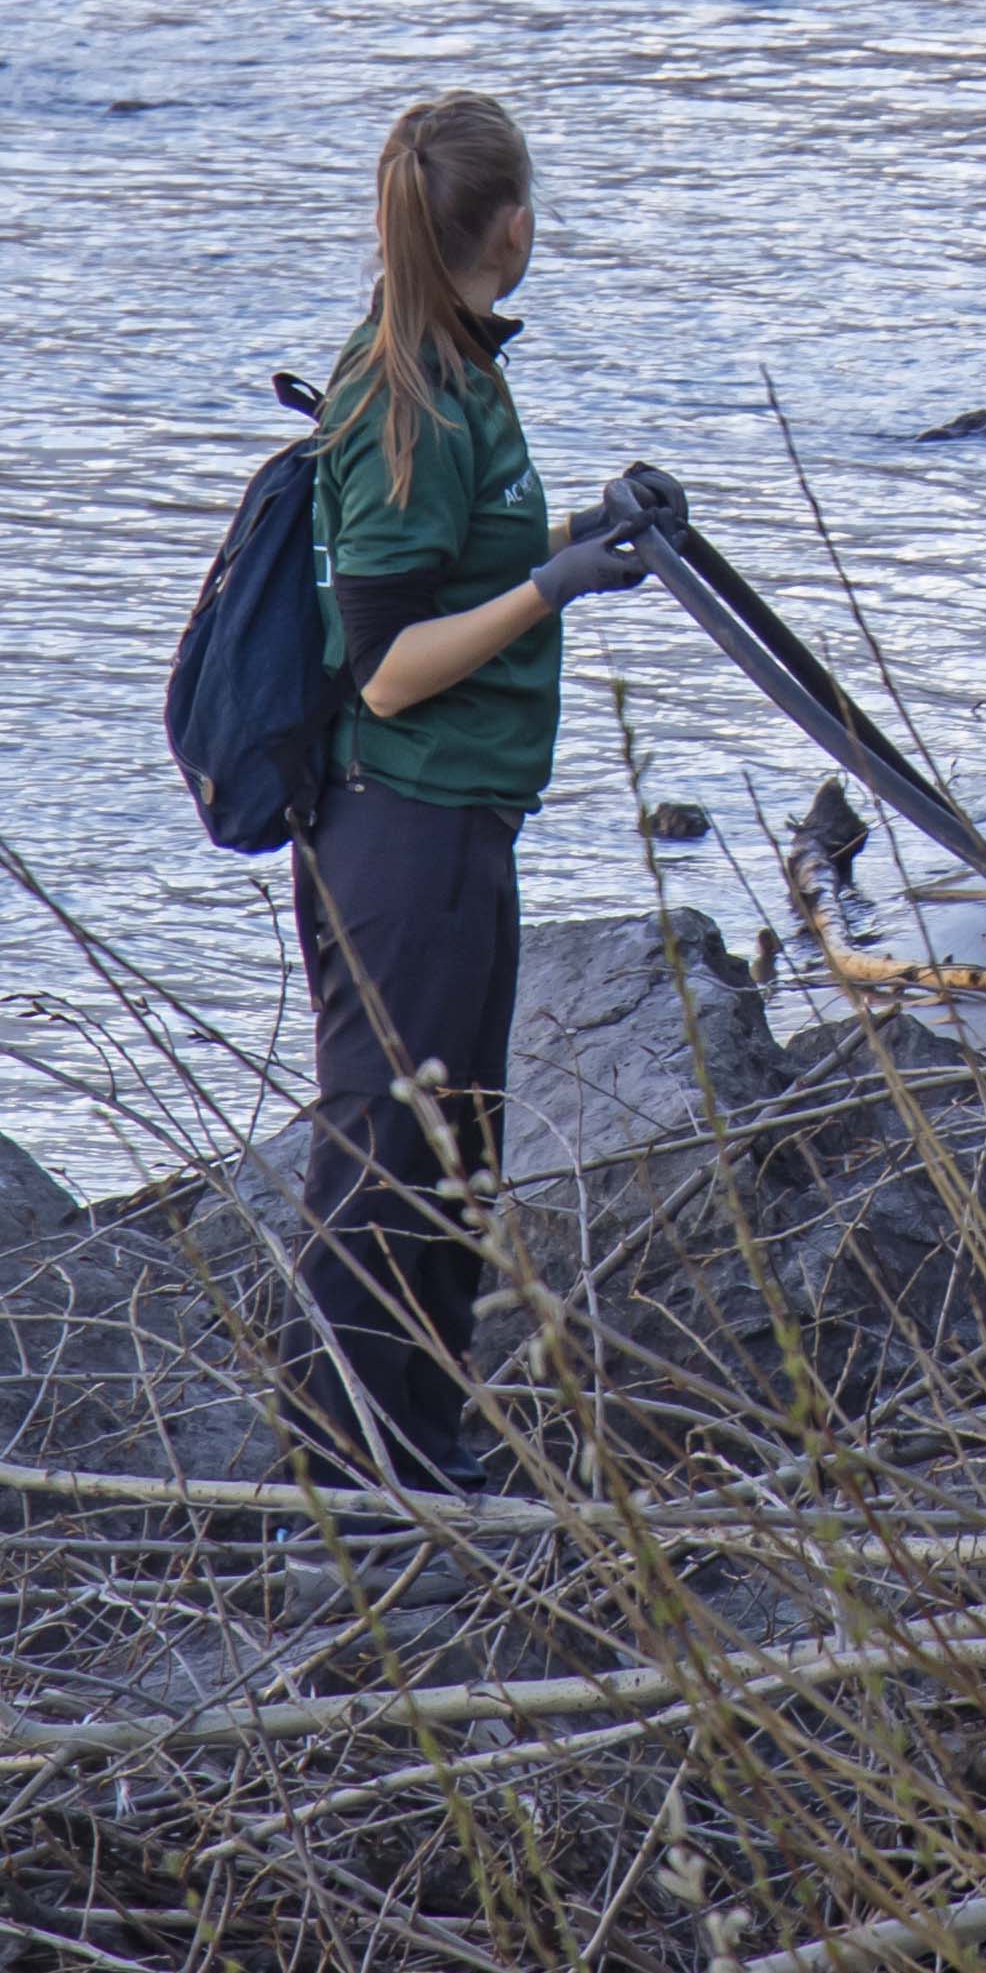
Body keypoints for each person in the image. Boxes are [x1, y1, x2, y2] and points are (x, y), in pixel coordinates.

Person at [286, 90, 648, 1490]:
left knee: (451, 1154)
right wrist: (551, 587)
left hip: (457, 828)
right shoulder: (408, 393)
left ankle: (424, 1460)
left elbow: (451, 566)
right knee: (386, 1167)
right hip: (402, 827)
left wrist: (583, 536)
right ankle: (351, 1494)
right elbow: (381, 665)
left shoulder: (447, 364)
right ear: (514, 226)